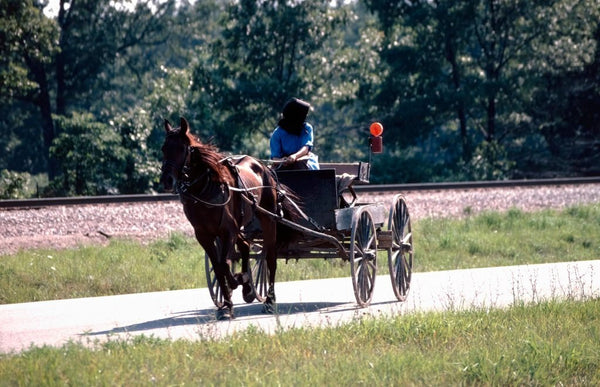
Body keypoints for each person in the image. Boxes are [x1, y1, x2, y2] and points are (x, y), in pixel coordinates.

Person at [270, 98, 319, 170]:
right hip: (284, 165)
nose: (306, 116)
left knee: (300, 164)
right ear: (296, 115)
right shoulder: (277, 133)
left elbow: (306, 148)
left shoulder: (307, 128)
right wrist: (282, 161)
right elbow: (275, 158)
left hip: (304, 160)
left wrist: (295, 156)